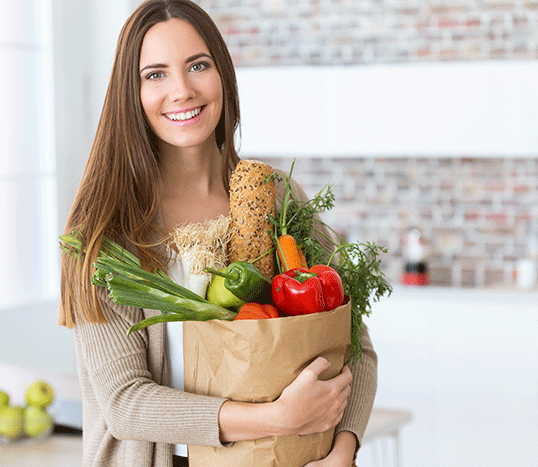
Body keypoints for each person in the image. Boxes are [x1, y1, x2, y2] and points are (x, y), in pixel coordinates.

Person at [58, 1, 377, 466]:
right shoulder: (106, 228)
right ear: (130, 92)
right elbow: (125, 403)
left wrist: (343, 450)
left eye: (198, 65)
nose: (182, 90)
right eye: (155, 75)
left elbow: (355, 345)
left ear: (223, 75)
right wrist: (277, 418)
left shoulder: (280, 199)